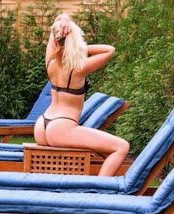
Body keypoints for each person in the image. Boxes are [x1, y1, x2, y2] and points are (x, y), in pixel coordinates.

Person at [33, 13, 129, 177]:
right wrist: (78, 48)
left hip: (42, 125)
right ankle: (97, 190)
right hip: (62, 128)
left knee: (111, 147)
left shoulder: (50, 61)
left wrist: (63, 17)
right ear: (74, 42)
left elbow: (54, 31)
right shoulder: (79, 67)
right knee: (121, 147)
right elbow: (109, 50)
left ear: (55, 41)